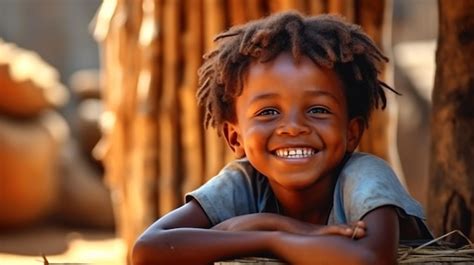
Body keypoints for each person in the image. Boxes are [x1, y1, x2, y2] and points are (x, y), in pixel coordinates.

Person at [132, 11, 432, 265]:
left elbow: (370, 258)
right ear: (234, 137)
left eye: (317, 109)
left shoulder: (366, 176)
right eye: (268, 112)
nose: (292, 127)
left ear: (351, 132)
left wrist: (266, 238)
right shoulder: (245, 181)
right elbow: (149, 249)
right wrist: (276, 230)